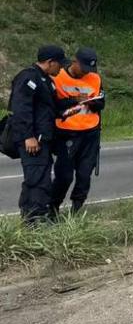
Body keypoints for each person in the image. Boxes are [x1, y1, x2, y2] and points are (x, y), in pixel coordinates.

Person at [8, 45, 69, 225]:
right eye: (59, 64)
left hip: (44, 140)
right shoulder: (28, 77)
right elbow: (21, 109)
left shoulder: (45, 80)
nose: (61, 68)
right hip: (32, 140)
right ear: (50, 62)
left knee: (39, 177)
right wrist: (28, 136)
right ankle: (35, 221)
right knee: (38, 181)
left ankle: (30, 219)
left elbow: (49, 107)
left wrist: (69, 108)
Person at [52, 47, 105, 214]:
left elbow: (101, 103)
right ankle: (52, 208)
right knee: (65, 175)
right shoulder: (57, 76)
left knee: (84, 175)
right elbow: (51, 104)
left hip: (90, 132)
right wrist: (74, 99)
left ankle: (76, 209)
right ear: (74, 62)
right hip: (66, 132)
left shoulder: (95, 78)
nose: (86, 73)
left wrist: (91, 102)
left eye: (90, 70)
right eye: (83, 69)